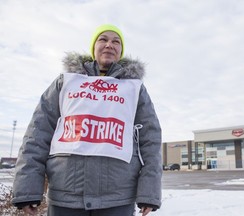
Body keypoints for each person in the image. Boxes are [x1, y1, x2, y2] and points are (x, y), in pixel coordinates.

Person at [12, 24, 162, 216]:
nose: (109, 44)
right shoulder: (65, 83)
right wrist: (28, 189)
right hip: (66, 196)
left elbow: (151, 140)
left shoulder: (134, 89)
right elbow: (37, 135)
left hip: (117, 197)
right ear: (93, 47)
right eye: (103, 39)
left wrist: (149, 192)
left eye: (116, 41)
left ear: (121, 51)